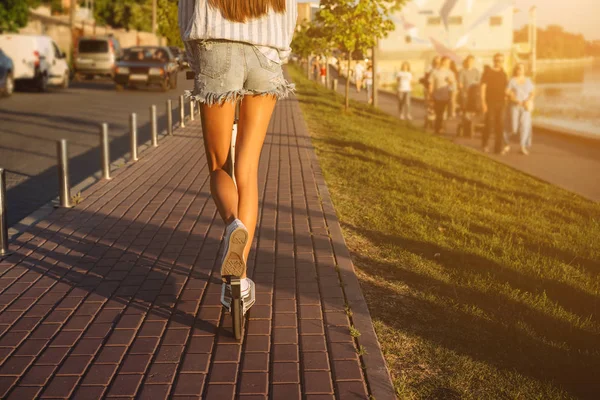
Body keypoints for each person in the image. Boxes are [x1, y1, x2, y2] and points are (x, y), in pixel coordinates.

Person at [179, 0, 297, 313]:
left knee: (220, 165)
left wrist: (198, 59)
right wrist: (277, 56)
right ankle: (240, 278)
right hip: (266, 56)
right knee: (248, 168)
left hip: (215, 50)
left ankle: (233, 225)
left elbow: (186, 15)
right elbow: (290, 20)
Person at [480, 53, 508, 153]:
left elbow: (506, 89)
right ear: (493, 61)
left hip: (501, 103)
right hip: (489, 102)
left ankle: (498, 148)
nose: (498, 63)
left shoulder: (503, 74)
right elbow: (483, 87)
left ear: (503, 62)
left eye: (500, 61)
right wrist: (483, 102)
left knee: (500, 125)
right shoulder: (488, 72)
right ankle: (485, 144)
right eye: (496, 60)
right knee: (489, 123)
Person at [505, 63, 535, 155]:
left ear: (524, 70)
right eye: (518, 69)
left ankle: (522, 146)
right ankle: (506, 143)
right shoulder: (512, 81)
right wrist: (514, 98)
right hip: (515, 106)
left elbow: (533, 92)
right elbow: (507, 92)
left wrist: (528, 100)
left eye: (521, 69)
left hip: (525, 106)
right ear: (516, 70)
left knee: (525, 126)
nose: (520, 70)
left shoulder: (528, 80)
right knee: (513, 127)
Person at [429, 56, 456, 135]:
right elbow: (431, 84)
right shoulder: (434, 72)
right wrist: (430, 95)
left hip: (446, 96)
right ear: (443, 62)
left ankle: (440, 128)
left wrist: (450, 82)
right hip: (437, 96)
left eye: (450, 62)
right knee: (439, 113)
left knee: (443, 114)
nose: (449, 64)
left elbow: (453, 85)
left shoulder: (450, 73)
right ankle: (438, 129)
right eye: (448, 62)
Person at [458, 55, 481, 137]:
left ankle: (471, 125)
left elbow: (479, 83)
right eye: (468, 61)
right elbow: (460, 83)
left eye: (471, 61)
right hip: (465, 93)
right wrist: (462, 92)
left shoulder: (476, 72)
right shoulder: (462, 71)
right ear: (466, 62)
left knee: (473, 110)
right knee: (465, 110)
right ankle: (465, 126)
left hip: (474, 94)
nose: (469, 63)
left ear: (473, 62)